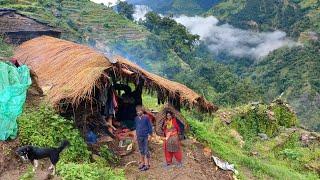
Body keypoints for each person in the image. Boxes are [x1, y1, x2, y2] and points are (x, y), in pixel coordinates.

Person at [134, 106, 153, 171]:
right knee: (141, 150)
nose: (139, 112)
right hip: (139, 136)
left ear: (142, 111)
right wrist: (136, 135)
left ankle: (147, 164)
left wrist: (150, 135)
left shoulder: (146, 117)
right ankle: (143, 163)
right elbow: (136, 127)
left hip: (145, 136)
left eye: (140, 111)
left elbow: (150, 126)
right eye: (137, 111)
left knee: (146, 150)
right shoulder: (136, 118)